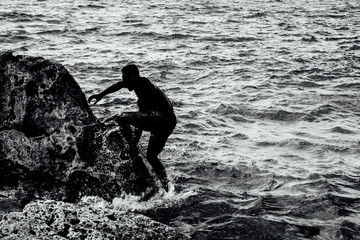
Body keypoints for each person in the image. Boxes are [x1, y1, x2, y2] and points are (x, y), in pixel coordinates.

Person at [88, 64, 176, 191]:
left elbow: (141, 120)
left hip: (161, 119)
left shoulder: (145, 87)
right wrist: (100, 95)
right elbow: (118, 85)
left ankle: (131, 145)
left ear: (133, 77)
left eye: (125, 78)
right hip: (169, 122)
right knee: (151, 156)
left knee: (121, 117)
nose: (124, 82)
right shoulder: (140, 85)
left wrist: (133, 144)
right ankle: (167, 187)